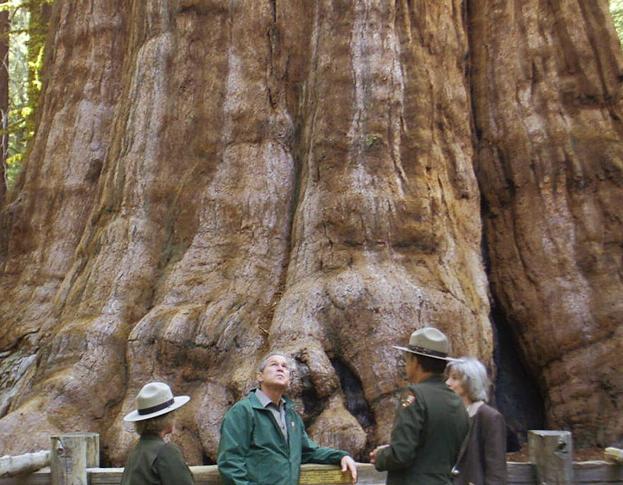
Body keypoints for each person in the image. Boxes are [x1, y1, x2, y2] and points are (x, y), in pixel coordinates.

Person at [217, 352, 358, 485]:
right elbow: (230, 462)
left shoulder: (291, 415)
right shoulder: (243, 411)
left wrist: (341, 456)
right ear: (260, 376)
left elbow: (308, 451)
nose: (280, 368)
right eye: (274, 364)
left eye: (284, 367)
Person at [370, 327, 469, 485]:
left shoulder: (415, 396)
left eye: (407, 359)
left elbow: (401, 454)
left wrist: (381, 456)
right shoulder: (456, 402)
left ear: (415, 362)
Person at [445, 357, 507, 485]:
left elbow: (496, 472)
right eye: (449, 377)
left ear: (470, 382)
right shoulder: (449, 414)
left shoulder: (490, 418)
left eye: (454, 378)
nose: (447, 382)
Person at [121, 381, 194, 485]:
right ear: (167, 417)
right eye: (173, 413)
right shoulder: (166, 451)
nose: (175, 416)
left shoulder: (137, 450)